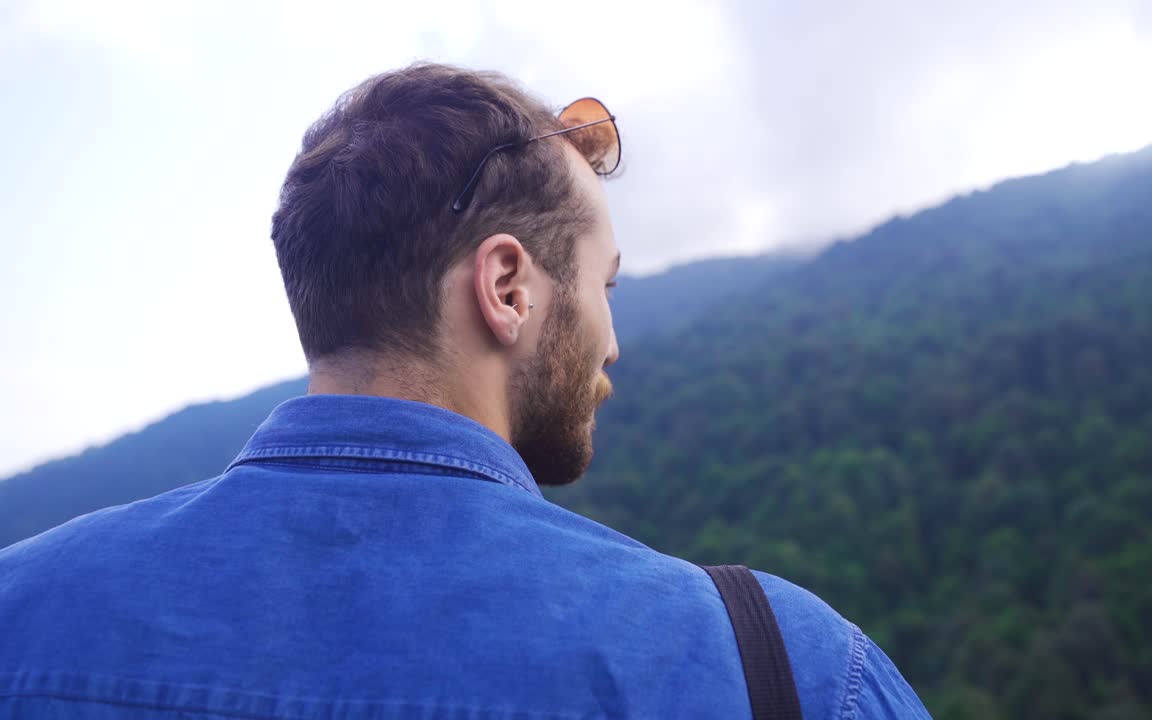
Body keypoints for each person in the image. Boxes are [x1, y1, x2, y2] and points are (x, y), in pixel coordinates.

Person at [0, 62, 931, 719]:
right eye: (605, 287)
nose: (614, 340)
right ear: (508, 289)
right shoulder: (779, 669)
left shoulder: (20, 613)